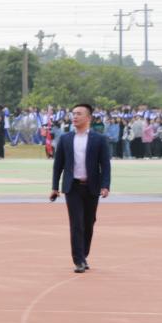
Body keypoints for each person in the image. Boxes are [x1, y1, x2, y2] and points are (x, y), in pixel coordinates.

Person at [50, 103, 112, 273]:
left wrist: (105, 186)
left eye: (79, 114)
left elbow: (105, 165)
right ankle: (78, 260)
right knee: (76, 223)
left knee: (89, 223)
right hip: (73, 187)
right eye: (73, 114)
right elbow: (58, 165)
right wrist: (55, 187)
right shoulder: (65, 138)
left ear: (88, 117)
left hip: (92, 187)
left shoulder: (99, 139)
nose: (75, 117)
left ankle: (83, 254)